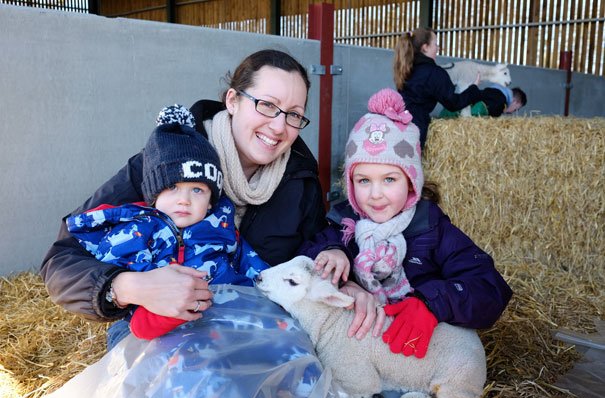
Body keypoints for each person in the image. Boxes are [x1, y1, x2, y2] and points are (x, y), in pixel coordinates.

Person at [40, 49, 384, 350]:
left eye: (293, 114)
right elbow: (62, 259)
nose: (279, 128)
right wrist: (129, 287)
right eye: (267, 105)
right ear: (232, 100)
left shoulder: (299, 177)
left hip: (250, 322)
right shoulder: (168, 162)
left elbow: (312, 245)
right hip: (155, 326)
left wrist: (342, 275)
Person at [299, 88, 513, 359]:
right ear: (351, 184)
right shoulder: (341, 227)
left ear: (411, 182)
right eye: (363, 180)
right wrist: (333, 257)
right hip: (361, 354)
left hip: (418, 355)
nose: (375, 194)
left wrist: (430, 302)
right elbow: (301, 259)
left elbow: (490, 287)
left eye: (389, 179)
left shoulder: (433, 230)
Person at [65, 105, 269, 340]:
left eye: (197, 190)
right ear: (154, 196)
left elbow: (249, 262)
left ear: (211, 201)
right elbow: (119, 267)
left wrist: (270, 289)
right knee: (141, 329)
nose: (184, 200)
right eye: (172, 187)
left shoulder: (221, 227)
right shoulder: (139, 230)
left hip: (227, 315)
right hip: (161, 322)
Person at [393, 27, 482, 148]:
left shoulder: (406, 68)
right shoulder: (435, 73)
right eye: (436, 44)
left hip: (396, 121)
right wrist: (473, 89)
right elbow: (453, 103)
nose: (438, 48)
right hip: (415, 127)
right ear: (425, 47)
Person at [439, 86, 527, 118]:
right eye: (516, 109)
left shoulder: (493, 93)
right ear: (515, 102)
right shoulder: (500, 102)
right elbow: (478, 110)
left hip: (447, 111)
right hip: (452, 116)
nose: (512, 112)